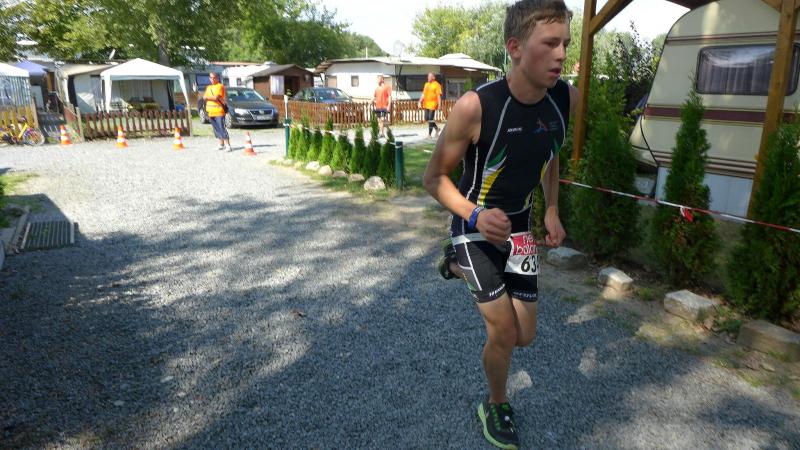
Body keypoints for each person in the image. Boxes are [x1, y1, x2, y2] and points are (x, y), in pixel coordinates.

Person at [422, 1, 578, 448]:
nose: (561, 54)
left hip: (520, 229)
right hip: (473, 227)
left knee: (525, 335)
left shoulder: (565, 98)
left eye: (565, 44)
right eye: (550, 43)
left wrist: (551, 208)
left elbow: (550, 151)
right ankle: (496, 403)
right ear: (515, 47)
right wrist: (474, 215)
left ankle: (455, 266)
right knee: (504, 332)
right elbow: (434, 178)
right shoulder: (476, 106)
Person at [203, 72, 231, 151]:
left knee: (221, 128)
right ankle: (221, 144)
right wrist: (209, 97)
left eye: (214, 77)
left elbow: (216, 98)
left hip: (219, 111)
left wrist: (208, 97)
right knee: (216, 129)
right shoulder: (208, 87)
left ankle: (228, 145)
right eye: (211, 78)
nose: (213, 79)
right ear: (209, 78)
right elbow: (204, 97)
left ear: (217, 78)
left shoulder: (220, 86)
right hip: (210, 112)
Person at [418, 72, 442, 138]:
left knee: (430, 119)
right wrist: (419, 101)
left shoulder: (437, 85)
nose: (428, 78)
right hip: (426, 104)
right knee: (427, 118)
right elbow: (423, 94)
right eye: (428, 76)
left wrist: (439, 105)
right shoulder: (426, 84)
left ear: (433, 77)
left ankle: (429, 134)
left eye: (429, 76)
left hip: (433, 104)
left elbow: (438, 96)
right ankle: (437, 129)